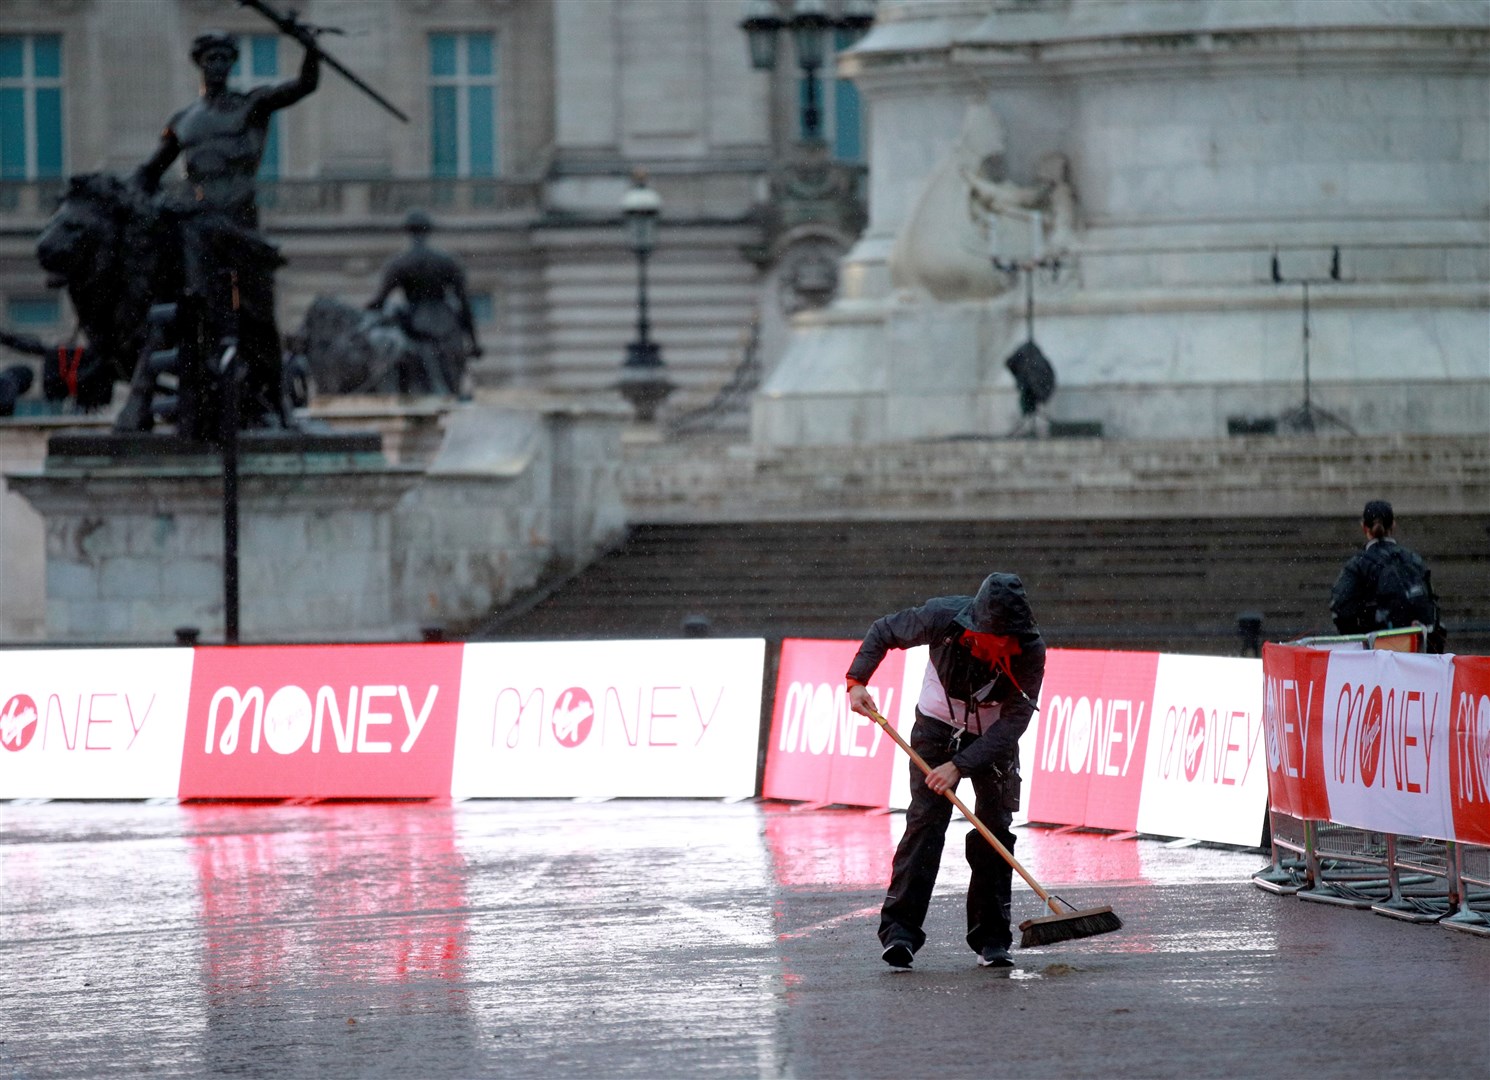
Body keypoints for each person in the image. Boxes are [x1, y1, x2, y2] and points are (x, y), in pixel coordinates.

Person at [845, 572, 1046, 970]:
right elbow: (883, 630)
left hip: (993, 739)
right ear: (977, 625)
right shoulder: (942, 616)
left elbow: (1014, 722)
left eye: (1010, 636)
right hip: (936, 727)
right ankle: (900, 934)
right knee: (924, 823)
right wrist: (857, 681)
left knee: (995, 831)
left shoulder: (1031, 649)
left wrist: (961, 765)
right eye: (995, 635)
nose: (1003, 644)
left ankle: (992, 939)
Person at [134, 27, 320, 429]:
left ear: (231, 65)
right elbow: (148, 173)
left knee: (258, 316)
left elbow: (305, 85)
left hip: (240, 231)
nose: (217, 66)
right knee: (195, 306)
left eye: (223, 59)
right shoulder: (183, 122)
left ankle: (274, 398)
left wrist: (309, 48)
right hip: (198, 226)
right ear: (200, 64)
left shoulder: (251, 106)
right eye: (210, 59)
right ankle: (193, 393)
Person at [366, 209, 482, 396]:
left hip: (415, 326)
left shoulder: (399, 263)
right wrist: (474, 343)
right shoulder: (447, 261)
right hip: (447, 326)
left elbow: (379, 301)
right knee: (454, 390)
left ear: (408, 232)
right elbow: (465, 306)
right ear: (428, 231)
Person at [1330, 499, 1445, 652]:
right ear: (1393, 525)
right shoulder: (1414, 560)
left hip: (1377, 653)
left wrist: (1360, 635)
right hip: (1415, 653)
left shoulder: (1358, 564)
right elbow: (1432, 604)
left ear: (1364, 527)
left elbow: (1340, 607)